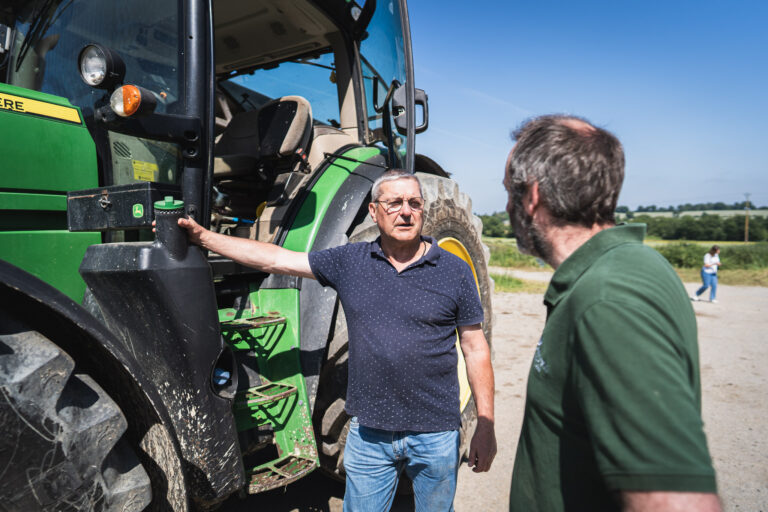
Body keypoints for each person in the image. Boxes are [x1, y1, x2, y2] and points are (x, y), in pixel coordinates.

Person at [177, 170, 496, 511]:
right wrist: (204, 237)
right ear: (374, 211)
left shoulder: (454, 270)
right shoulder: (351, 261)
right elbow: (275, 258)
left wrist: (485, 424)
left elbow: (475, 349)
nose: (405, 211)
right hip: (370, 435)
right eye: (394, 203)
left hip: (436, 434)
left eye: (414, 203)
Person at [503, 115, 720, 511]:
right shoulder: (627, 267)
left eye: (509, 192)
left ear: (532, 196)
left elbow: (676, 501)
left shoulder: (607, 299)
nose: (507, 207)